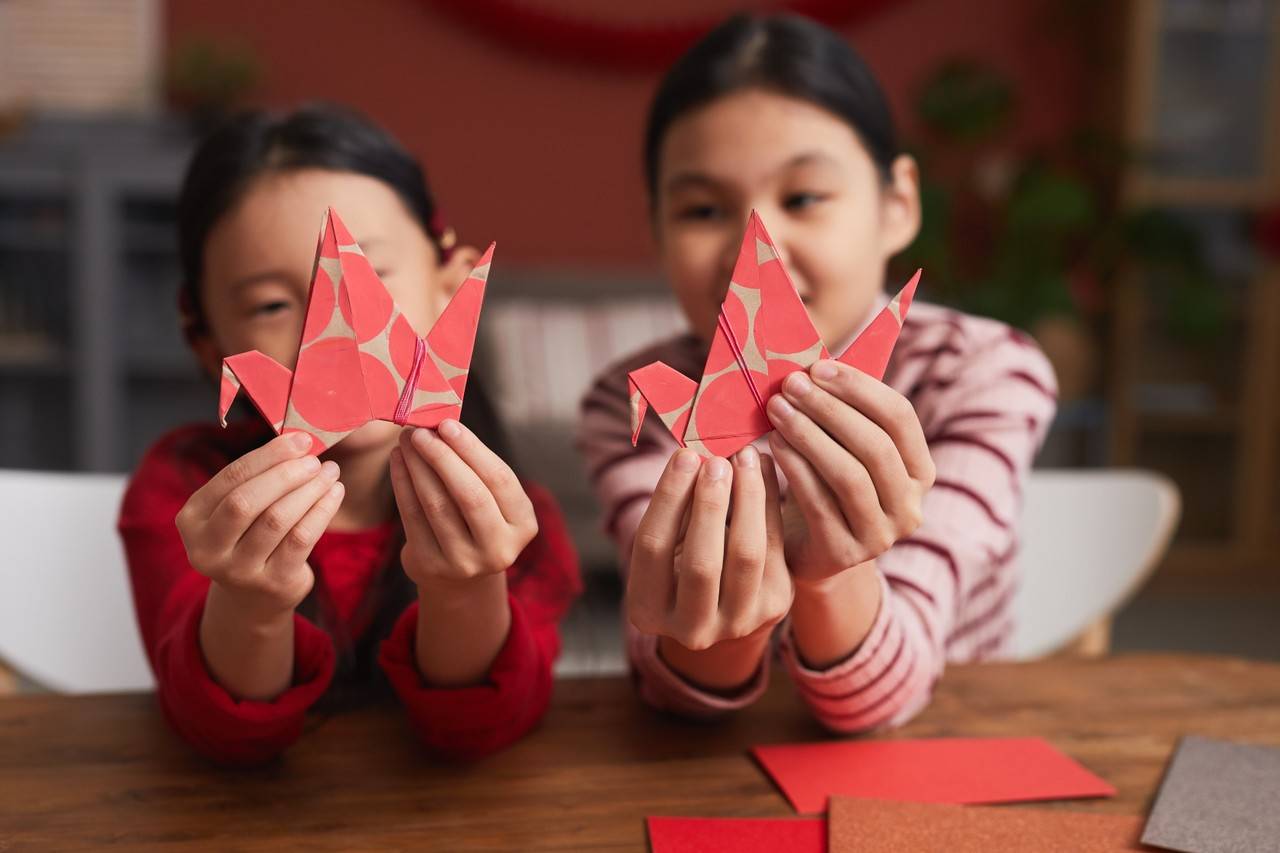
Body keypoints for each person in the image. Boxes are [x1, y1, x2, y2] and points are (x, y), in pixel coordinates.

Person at [578, 14, 1057, 730]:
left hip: (942, 757)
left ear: (897, 206)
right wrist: (713, 611)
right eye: (704, 208)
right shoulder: (632, 400)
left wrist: (830, 571)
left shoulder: (981, 371)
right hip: (711, 776)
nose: (756, 247)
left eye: (804, 197)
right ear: (656, 233)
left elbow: (888, 694)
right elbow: (676, 686)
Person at [118, 105, 581, 765]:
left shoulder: (513, 519)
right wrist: (250, 602)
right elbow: (221, 733)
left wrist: (464, 588)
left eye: (368, 282)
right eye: (272, 305)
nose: (328, 339)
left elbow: (485, 727)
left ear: (451, 285)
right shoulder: (184, 493)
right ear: (206, 340)